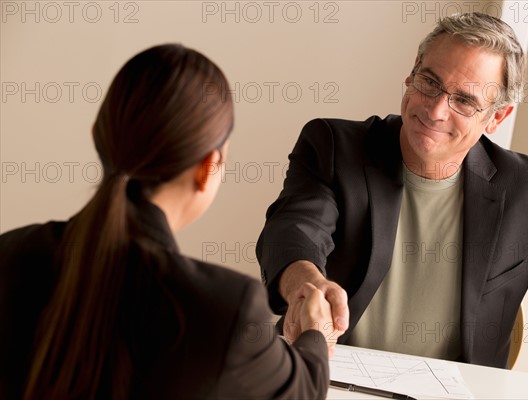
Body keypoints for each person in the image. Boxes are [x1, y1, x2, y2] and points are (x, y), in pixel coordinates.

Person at [257, 12, 528, 381]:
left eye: (464, 102)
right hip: (327, 383)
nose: (435, 110)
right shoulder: (335, 146)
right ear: (412, 72)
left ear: (497, 117)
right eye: (430, 83)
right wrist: (306, 283)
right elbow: (293, 231)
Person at [0, 44, 339, 400]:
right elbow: (302, 391)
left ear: (98, 139)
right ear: (208, 168)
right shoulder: (224, 309)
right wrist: (315, 332)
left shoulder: (10, 254)